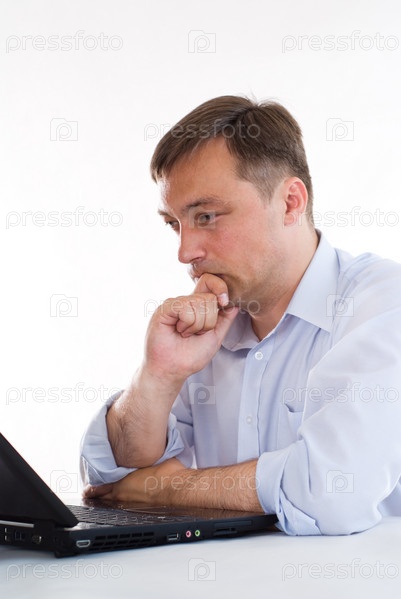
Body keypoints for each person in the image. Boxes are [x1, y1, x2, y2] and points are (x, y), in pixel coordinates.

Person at [80, 95, 401, 535]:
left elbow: (331, 491)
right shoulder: (206, 327)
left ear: (290, 202)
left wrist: (163, 489)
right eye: (175, 224)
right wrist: (158, 377)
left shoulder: (383, 304)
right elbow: (111, 479)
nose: (185, 252)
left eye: (207, 216)